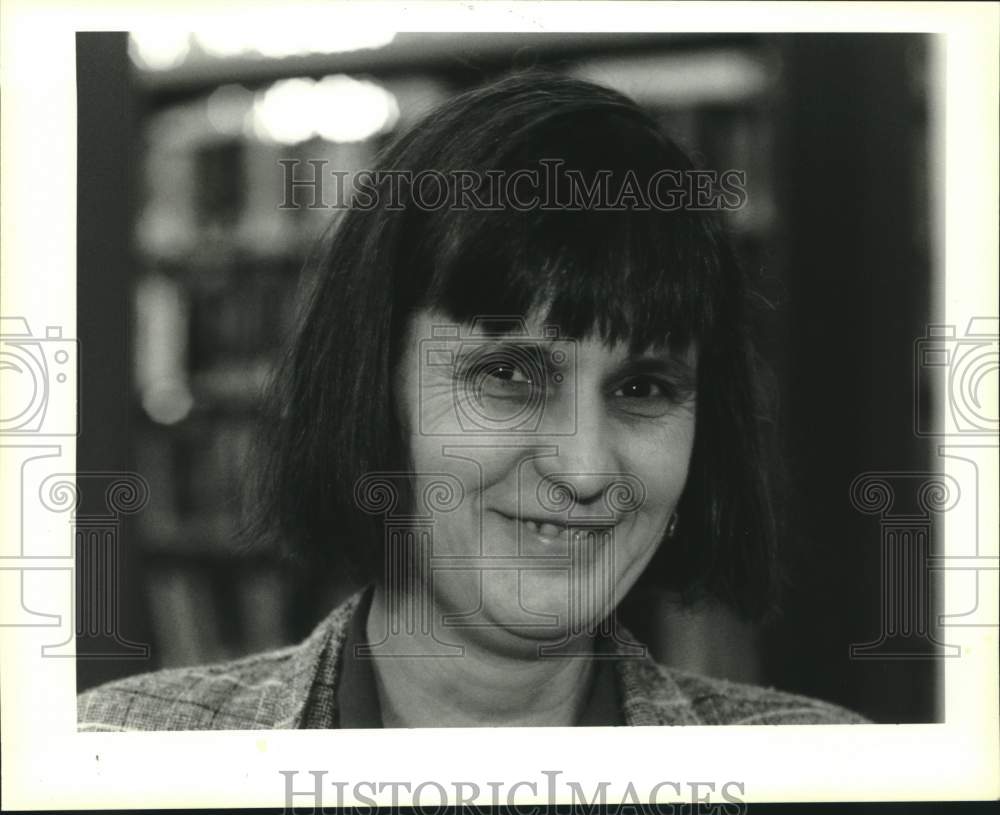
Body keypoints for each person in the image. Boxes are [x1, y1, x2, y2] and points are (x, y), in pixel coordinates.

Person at [79, 71, 866, 730]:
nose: (586, 467)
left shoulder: (830, 771)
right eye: (507, 375)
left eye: (642, 387)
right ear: (369, 389)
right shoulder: (120, 755)